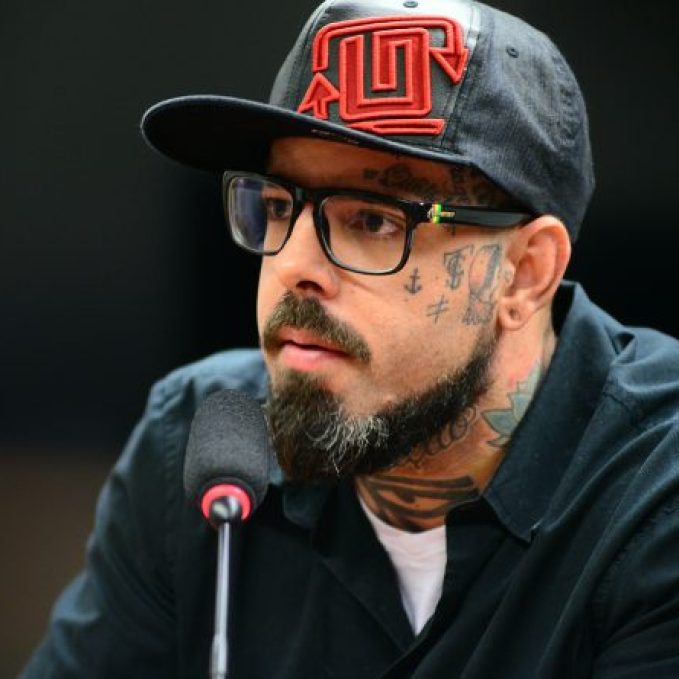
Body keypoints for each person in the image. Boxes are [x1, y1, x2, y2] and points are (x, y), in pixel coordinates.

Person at [21, 0, 679, 677]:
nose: (292, 266)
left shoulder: (656, 497)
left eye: (372, 219)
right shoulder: (197, 451)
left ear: (524, 272)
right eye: (278, 206)